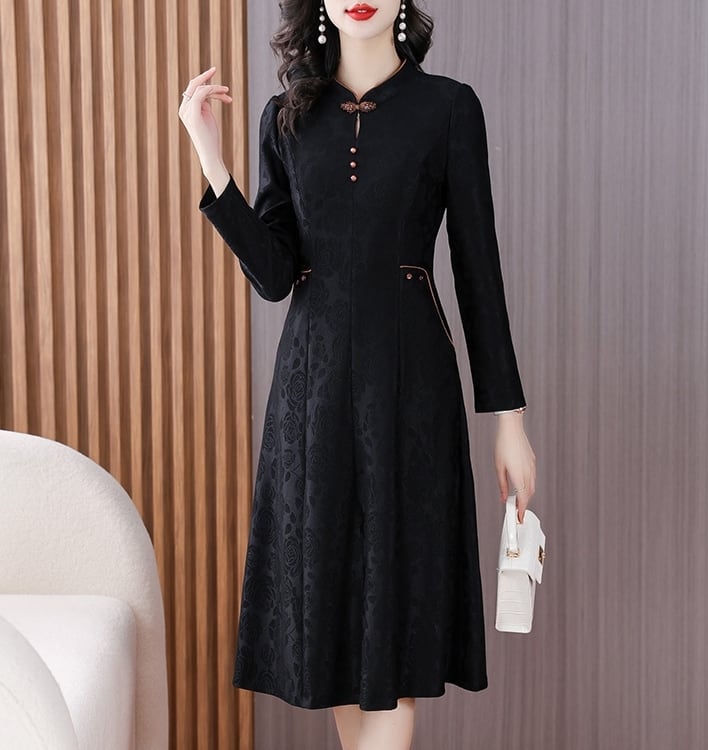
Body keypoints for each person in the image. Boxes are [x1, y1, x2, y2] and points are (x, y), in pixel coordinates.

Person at [178, 1, 536, 747]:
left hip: (411, 395)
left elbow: (479, 271)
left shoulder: (448, 108)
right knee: (341, 633)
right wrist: (213, 160)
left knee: (393, 629)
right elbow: (275, 276)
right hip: (312, 400)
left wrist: (510, 423)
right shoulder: (286, 116)